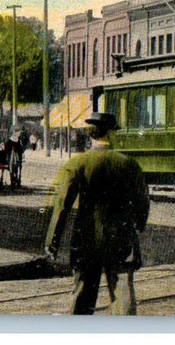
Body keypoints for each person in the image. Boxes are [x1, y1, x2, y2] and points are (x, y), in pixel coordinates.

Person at [45, 111, 150, 315]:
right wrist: (138, 226)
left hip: (86, 240)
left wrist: (52, 242)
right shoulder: (129, 164)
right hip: (121, 240)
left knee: (82, 299)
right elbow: (142, 203)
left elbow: (62, 206)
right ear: (110, 133)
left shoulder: (77, 164)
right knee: (123, 298)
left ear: (92, 135)